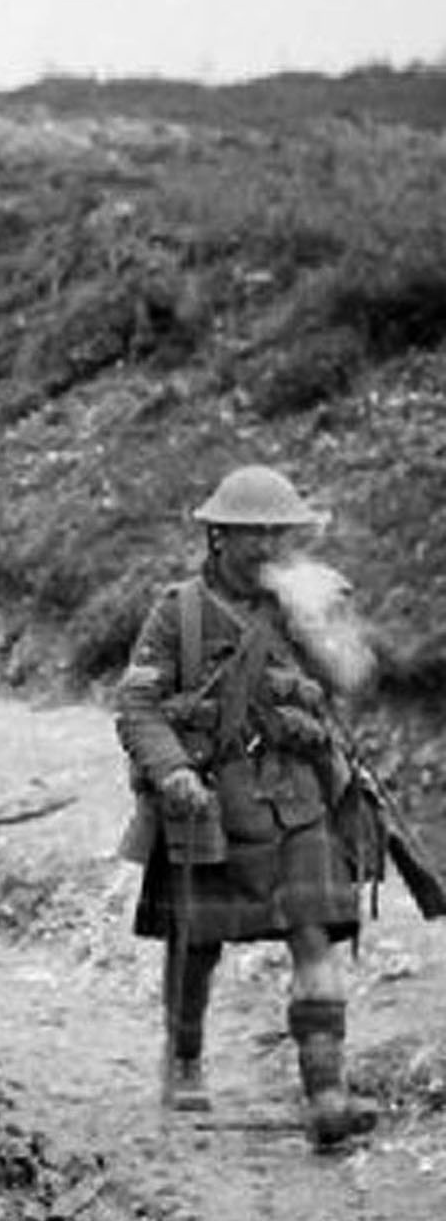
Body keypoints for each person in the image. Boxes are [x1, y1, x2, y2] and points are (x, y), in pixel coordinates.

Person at [115, 464, 378, 1151]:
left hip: (296, 795)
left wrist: (322, 622)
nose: (267, 546)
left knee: (315, 934)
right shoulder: (178, 612)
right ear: (218, 537)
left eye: (277, 533)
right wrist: (172, 770)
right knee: (195, 945)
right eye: (252, 533)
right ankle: (184, 1057)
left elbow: (352, 681)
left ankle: (326, 1089)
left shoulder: (304, 598)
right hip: (208, 800)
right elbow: (138, 703)